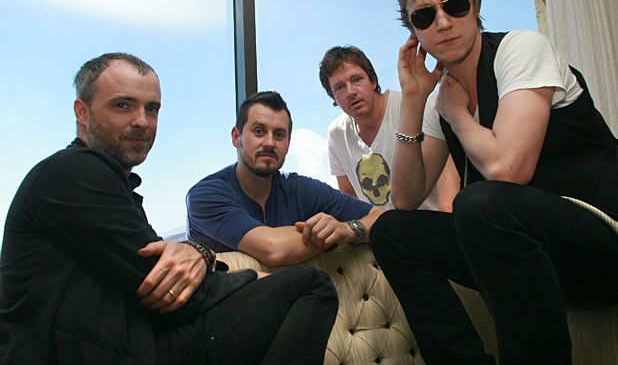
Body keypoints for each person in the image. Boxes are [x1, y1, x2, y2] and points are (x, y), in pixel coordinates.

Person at [0, 53, 338, 365]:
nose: (142, 121)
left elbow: (159, 263)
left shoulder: (117, 186)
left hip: (134, 346)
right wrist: (252, 279)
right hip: (79, 354)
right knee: (311, 286)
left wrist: (199, 254)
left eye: (152, 109)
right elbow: (161, 278)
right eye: (123, 105)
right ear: (82, 112)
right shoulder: (73, 172)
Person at [369, 0, 618, 365]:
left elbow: (508, 169)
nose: (442, 23)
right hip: (535, 255)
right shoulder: (439, 100)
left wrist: (457, 115)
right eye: (424, 16)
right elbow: (406, 198)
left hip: (602, 242)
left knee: (480, 202)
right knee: (392, 231)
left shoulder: (519, 49)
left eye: (454, 6)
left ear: (475, 5)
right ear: (413, 31)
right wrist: (413, 100)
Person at [186, 91, 385, 266]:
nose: (269, 143)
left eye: (279, 135)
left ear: (288, 145)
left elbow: (381, 217)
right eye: (259, 131)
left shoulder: (300, 188)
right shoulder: (205, 195)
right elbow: (274, 249)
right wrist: (331, 237)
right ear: (236, 137)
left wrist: (348, 230)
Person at [319, 45, 459, 211]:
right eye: (339, 87)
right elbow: (349, 195)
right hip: (380, 224)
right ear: (333, 97)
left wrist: (450, 220)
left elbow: (446, 175)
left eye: (356, 80)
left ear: (373, 81)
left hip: (430, 219)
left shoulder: (410, 107)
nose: (350, 92)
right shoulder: (337, 133)